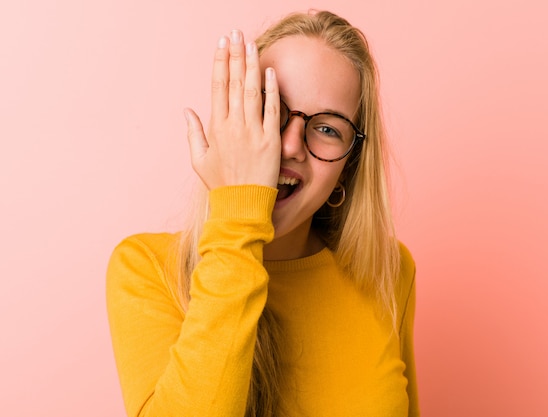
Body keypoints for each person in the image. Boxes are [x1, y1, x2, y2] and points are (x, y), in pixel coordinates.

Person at [106, 10, 418, 417]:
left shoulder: (388, 271)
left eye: (327, 128)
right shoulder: (146, 269)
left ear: (349, 167)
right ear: (231, 122)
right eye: (270, 109)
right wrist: (237, 213)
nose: (289, 145)